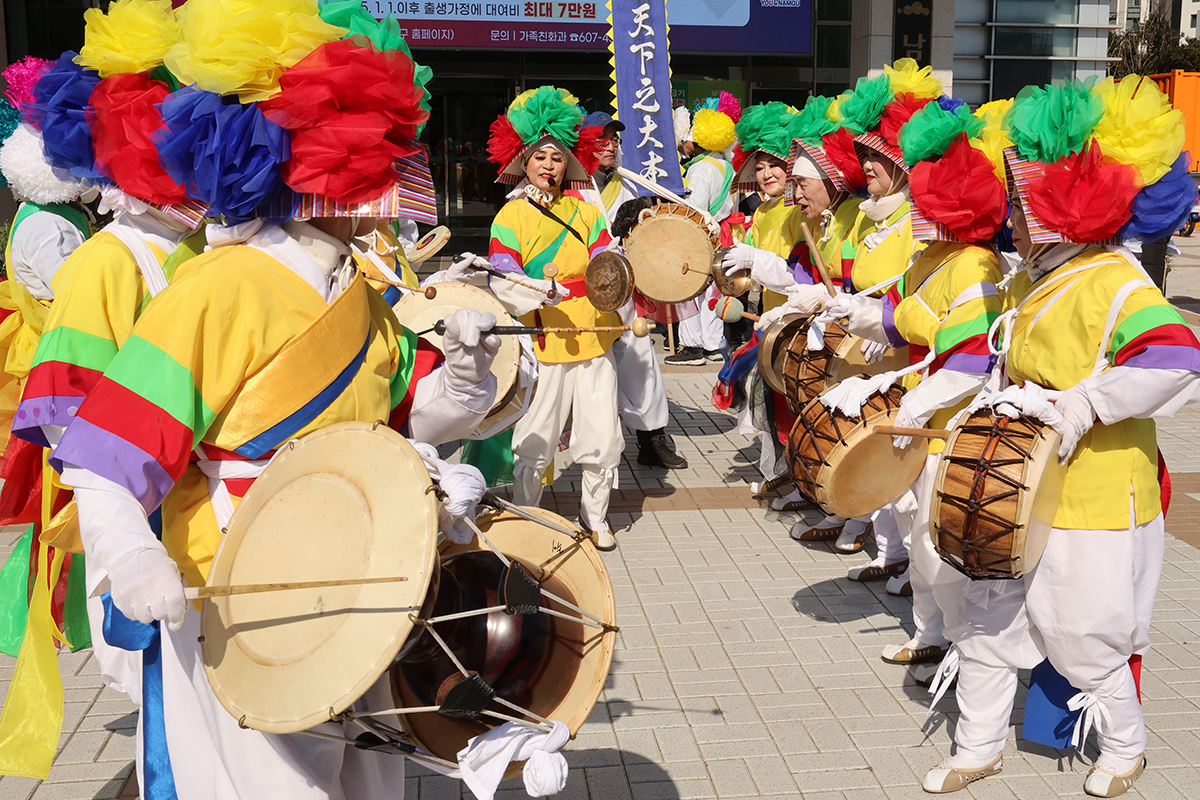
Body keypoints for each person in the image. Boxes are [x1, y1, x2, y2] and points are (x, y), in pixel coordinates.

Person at [43, 3, 503, 799]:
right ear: (318, 168)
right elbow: (110, 450)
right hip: (241, 582)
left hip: (361, 572)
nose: (397, 178)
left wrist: (461, 382)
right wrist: (128, 550)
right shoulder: (221, 285)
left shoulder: (358, 291)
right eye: (375, 156)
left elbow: (397, 428)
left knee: (368, 778)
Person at [914, 76, 1199, 797]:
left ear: (1060, 199)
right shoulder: (1027, 280)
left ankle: (1125, 748)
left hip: (1096, 493)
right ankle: (978, 746)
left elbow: (1176, 360)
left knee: (1083, 635)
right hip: (1019, 487)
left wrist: (1079, 405)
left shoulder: (1115, 279)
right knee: (987, 620)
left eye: (1020, 195)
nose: (1009, 210)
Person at [827, 94, 1010, 692]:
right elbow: (887, 314)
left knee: (938, 539)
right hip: (919, 416)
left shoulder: (978, 265)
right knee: (913, 525)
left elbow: (971, 360)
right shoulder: (932, 255)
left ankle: (959, 643)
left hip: (952, 426)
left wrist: (913, 402)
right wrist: (831, 307)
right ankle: (930, 633)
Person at [481, 86, 624, 550]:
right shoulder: (509, 215)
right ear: (524, 162)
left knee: (602, 430)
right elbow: (501, 277)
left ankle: (596, 518)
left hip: (595, 334)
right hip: (544, 334)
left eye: (557, 158)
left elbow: (607, 262)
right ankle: (528, 515)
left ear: (569, 165)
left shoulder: (586, 211)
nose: (548, 165)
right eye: (539, 156)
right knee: (536, 434)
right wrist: (540, 289)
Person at [576, 110, 685, 469]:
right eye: (601, 139)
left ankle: (651, 437)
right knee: (587, 365)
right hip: (582, 289)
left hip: (623, 287)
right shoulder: (573, 184)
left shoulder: (628, 181)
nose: (610, 145)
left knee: (640, 356)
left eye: (615, 139)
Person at [665, 95, 740, 365]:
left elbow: (694, 209)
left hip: (701, 234)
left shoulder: (700, 169)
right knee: (714, 290)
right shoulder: (727, 166)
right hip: (723, 232)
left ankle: (693, 345)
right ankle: (713, 344)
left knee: (689, 286)